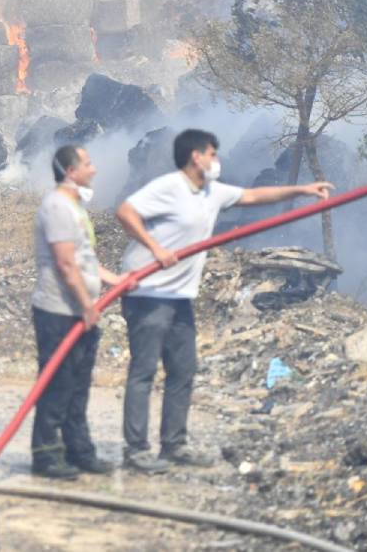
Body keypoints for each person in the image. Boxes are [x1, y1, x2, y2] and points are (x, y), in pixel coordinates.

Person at [116, 129, 333, 473]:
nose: (217, 159)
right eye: (212, 153)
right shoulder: (169, 187)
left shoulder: (212, 192)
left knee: (183, 369)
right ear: (195, 157)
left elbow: (255, 196)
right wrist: (156, 249)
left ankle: (174, 444)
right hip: (147, 291)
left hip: (180, 296)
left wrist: (303, 190)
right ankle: (136, 450)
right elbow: (126, 212)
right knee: (144, 370)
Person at [30, 145, 128, 480]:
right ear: (71, 171)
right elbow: (65, 263)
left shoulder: (75, 207)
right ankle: (45, 455)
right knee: (58, 384)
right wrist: (86, 306)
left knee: (78, 385)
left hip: (80, 311)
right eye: (88, 164)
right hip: (60, 311)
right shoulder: (57, 206)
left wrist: (117, 280)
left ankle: (79, 450)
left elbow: (84, 258)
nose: (94, 169)